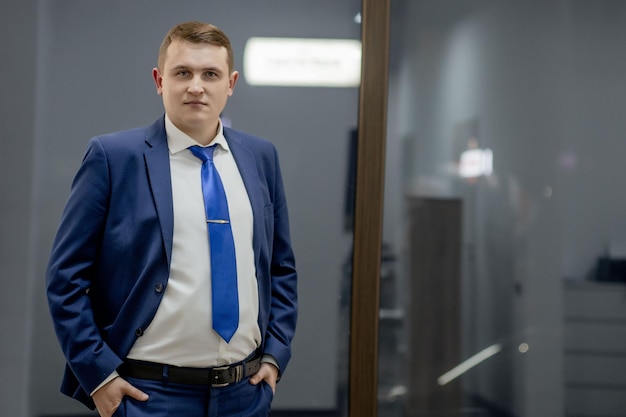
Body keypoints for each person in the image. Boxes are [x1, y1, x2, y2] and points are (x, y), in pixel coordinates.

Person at [46, 20, 298, 417]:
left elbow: (280, 267)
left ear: (230, 83)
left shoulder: (260, 157)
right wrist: (100, 376)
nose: (196, 86)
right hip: (149, 396)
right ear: (159, 80)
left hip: (244, 395)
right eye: (183, 72)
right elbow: (66, 279)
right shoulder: (114, 158)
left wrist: (275, 355)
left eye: (210, 74)